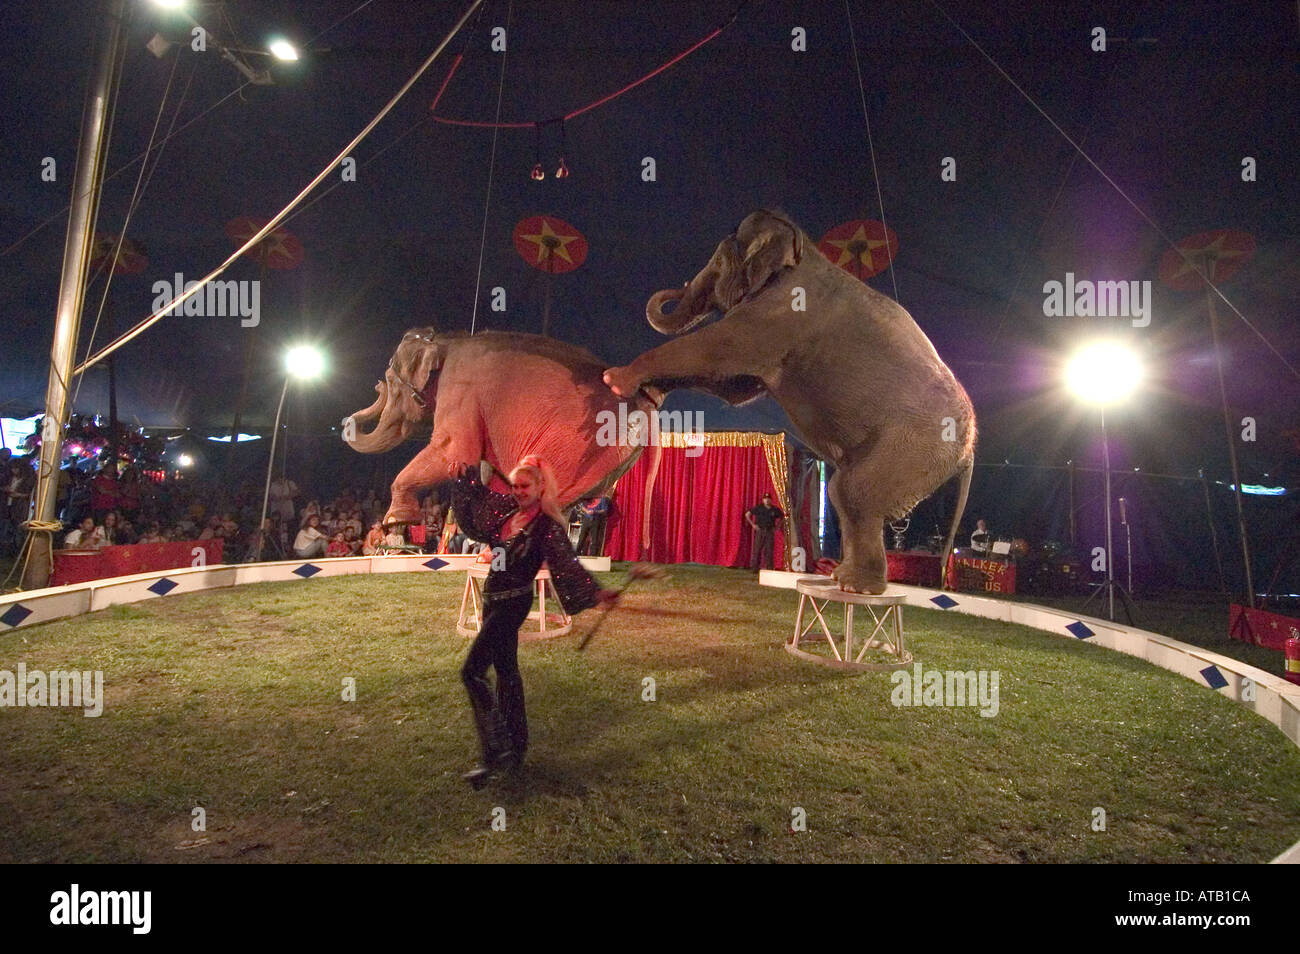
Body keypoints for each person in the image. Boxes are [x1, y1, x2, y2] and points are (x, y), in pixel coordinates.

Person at [450, 454, 618, 787]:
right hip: (491, 599)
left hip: (512, 605)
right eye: (514, 485)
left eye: (525, 485)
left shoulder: (546, 526)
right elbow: (477, 508)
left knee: (471, 672)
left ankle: (494, 751)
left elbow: (566, 564)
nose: (518, 491)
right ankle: (515, 747)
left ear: (540, 488)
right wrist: (464, 475)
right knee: (507, 673)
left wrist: (597, 593)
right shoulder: (506, 513)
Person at [746, 492, 784, 572]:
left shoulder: (775, 509)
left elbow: (782, 517)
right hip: (760, 530)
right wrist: (753, 524)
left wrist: (777, 526)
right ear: (763, 500)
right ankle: (755, 568)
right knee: (757, 550)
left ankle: (769, 568)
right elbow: (747, 514)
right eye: (765, 499)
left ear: (771, 500)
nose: (767, 500)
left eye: (768, 499)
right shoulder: (759, 508)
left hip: (769, 531)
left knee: (769, 550)